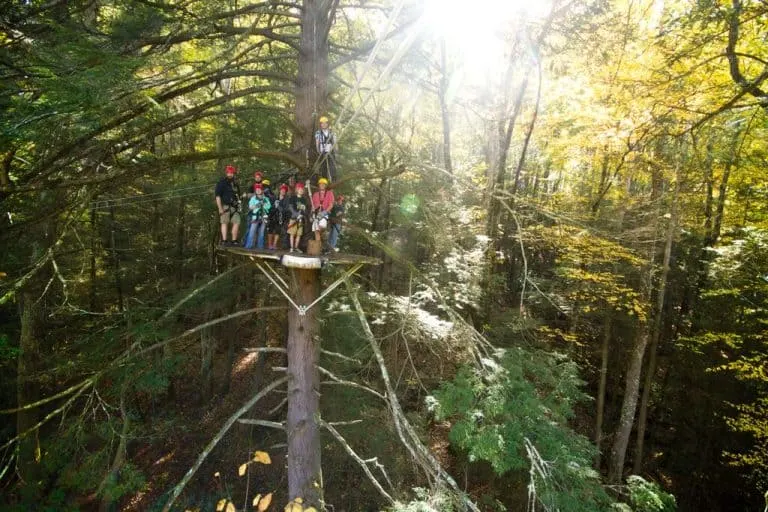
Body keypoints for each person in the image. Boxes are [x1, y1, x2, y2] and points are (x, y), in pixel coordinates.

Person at [215, 164, 241, 245]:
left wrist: (239, 204)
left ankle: (234, 240)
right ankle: (224, 240)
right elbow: (218, 196)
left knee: (237, 222)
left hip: (235, 207)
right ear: (226, 173)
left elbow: (238, 196)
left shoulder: (235, 184)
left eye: (231, 172)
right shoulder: (221, 183)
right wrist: (220, 208)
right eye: (228, 172)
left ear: (233, 173)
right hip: (225, 206)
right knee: (224, 222)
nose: (230, 174)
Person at [244, 183, 271, 250]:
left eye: (259, 189)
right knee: (252, 231)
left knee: (261, 232)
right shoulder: (253, 198)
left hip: (263, 216)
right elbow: (250, 207)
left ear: (262, 190)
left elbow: (269, 206)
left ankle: (260, 246)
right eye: (257, 189)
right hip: (255, 216)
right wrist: (257, 205)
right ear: (255, 191)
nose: (258, 190)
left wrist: (263, 205)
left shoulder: (266, 198)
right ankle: (248, 245)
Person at [311, 177, 335, 247]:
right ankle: (318, 247)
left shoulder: (329, 193)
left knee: (321, 227)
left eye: (323, 184)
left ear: (325, 185)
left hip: (325, 214)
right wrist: (311, 214)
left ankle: (323, 242)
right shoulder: (315, 194)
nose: (322, 185)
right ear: (319, 185)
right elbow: (313, 206)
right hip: (316, 214)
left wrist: (324, 212)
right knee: (316, 230)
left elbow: (331, 205)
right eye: (320, 184)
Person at [287, 182, 309, 253]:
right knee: (292, 233)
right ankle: (291, 248)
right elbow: (290, 207)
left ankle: (296, 247)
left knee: (299, 234)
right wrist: (296, 214)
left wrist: (303, 214)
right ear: (296, 190)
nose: (301, 190)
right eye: (299, 189)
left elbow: (305, 210)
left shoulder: (304, 200)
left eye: (302, 189)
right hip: (293, 218)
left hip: (300, 220)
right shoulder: (293, 198)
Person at [314, 115, 337, 182]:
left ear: (327, 124)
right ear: (320, 124)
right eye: (322, 123)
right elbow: (317, 143)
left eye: (325, 123)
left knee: (332, 167)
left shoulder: (332, 132)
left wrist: (336, 151)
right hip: (322, 152)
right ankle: (324, 180)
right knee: (323, 168)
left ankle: (333, 180)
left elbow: (335, 142)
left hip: (330, 151)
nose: (324, 124)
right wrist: (318, 151)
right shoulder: (318, 133)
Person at [267, 184, 289, 250]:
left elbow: (285, 210)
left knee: (278, 231)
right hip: (272, 216)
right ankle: (269, 245)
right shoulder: (274, 198)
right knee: (270, 230)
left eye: (284, 190)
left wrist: (279, 207)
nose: (283, 191)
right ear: (280, 190)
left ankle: (274, 245)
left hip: (280, 218)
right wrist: (274, 206)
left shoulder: (286, 200)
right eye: (282, 190)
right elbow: (270, 207)